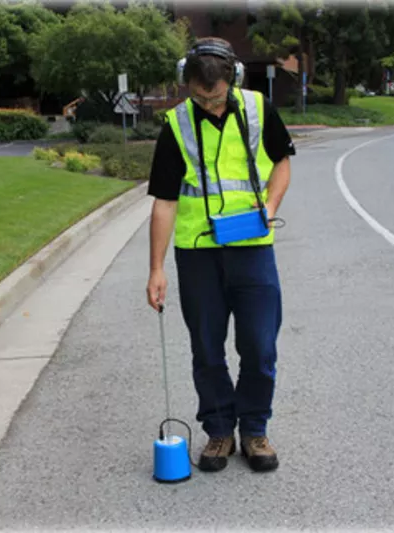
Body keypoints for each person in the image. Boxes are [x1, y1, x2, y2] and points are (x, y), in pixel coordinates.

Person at [145, 37, 295, 473]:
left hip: (251, 249)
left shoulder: (257, 109)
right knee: (207, 348)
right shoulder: (176, 125)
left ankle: (254, 429)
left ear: (233, 79)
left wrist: (268, 208)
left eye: (215, 96)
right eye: (199, 96)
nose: (209, 105)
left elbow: (282, 161)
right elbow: (165, 201)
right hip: (197, 255)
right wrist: (156, 269)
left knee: (259, 345)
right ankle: (219, 431)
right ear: (185, 83)